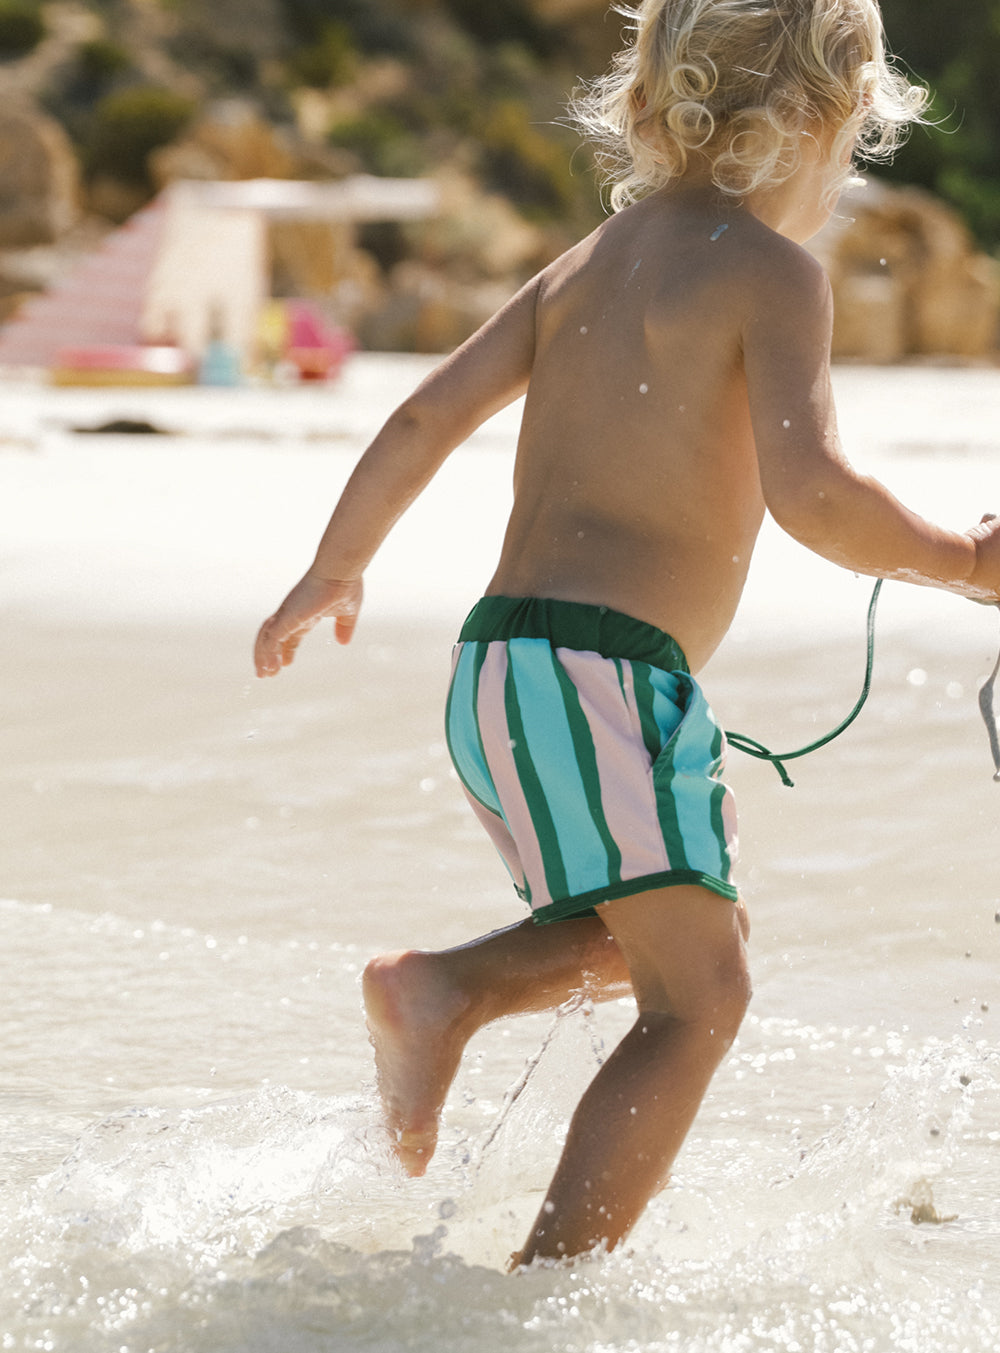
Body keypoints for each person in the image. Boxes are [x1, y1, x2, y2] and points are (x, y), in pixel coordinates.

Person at [254, 0, 1000, 1268]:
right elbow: (815, 497)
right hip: (601, 674)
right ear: (818, 122)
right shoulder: (771, 274)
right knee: (702, 996)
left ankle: (443, 990)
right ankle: (545, 1295)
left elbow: (426, 415)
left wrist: (334, 568)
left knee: (664, 939)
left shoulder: (586, 263)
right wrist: (968, 564)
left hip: (502, 666)